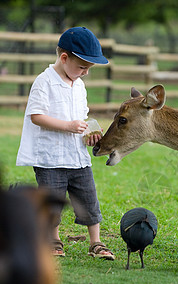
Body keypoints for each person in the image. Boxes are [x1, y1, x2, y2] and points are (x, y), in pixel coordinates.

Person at [16, 27, 115, 260]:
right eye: (83, 67)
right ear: (64, 58)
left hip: (77, 157)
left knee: (89, 199)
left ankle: (96, 242)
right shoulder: (44, 82)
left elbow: (81, 118)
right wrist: (68, 126)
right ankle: (53, 239)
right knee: (52, 202)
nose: (86, 73)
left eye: (88, 69)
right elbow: (36, 116)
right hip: (50, 158)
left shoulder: (79, 85)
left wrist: (88, 133)